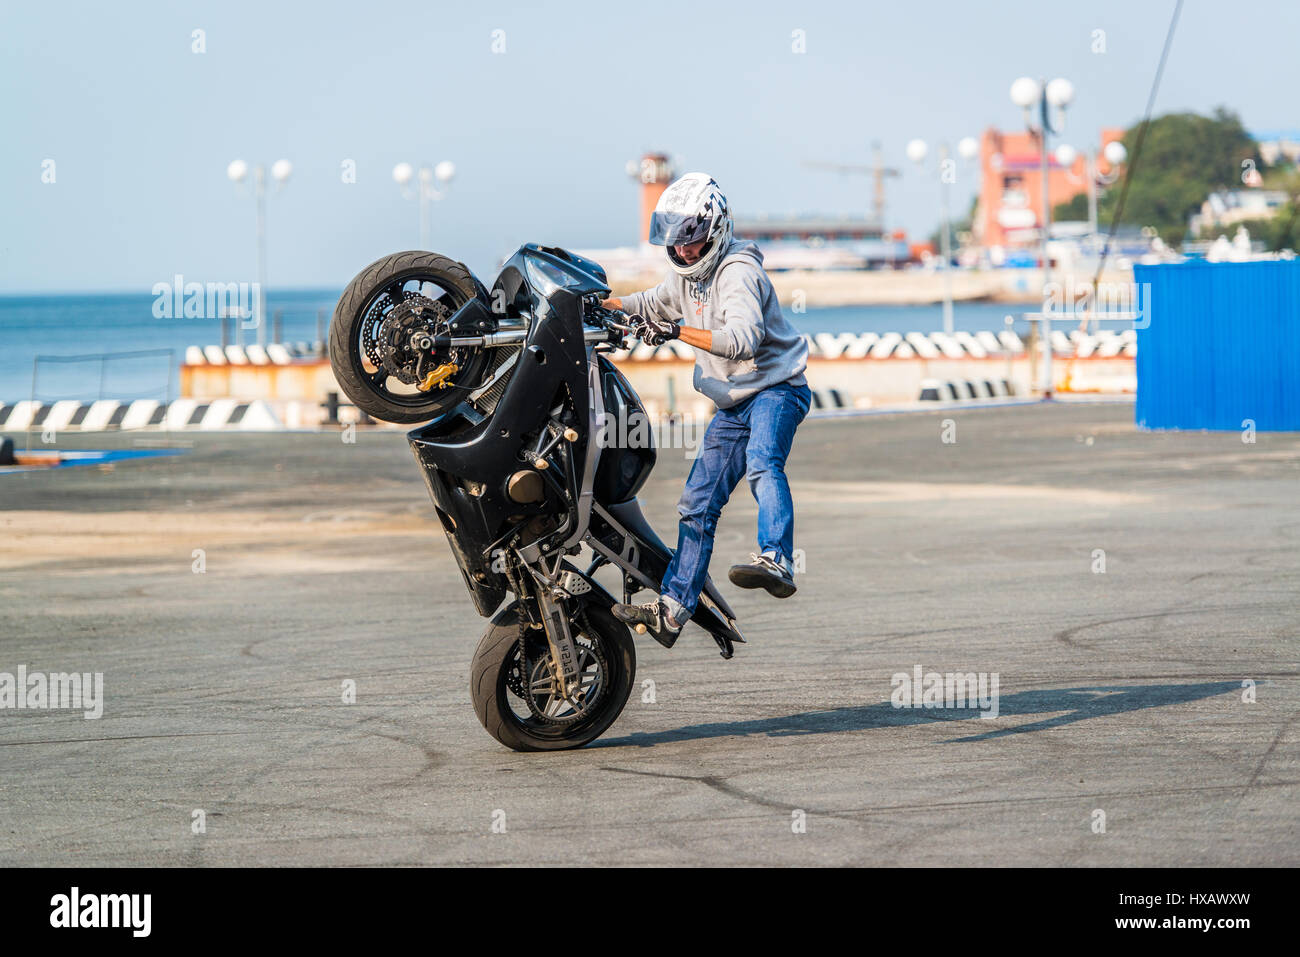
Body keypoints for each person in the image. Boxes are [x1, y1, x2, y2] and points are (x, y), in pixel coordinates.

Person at [603, 172, 812, 646]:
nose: (682, 252)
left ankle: (777, 558)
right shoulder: (684, 276)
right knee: (696, 503)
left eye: (691, 242)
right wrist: (604, 305)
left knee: (763, 464)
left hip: (776, 390)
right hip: (733, 403)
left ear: (715, 230)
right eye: (676, 244)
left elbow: (742, 341)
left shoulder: (739, 272)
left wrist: (675, 333)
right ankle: (674, 610)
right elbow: (651, 303)